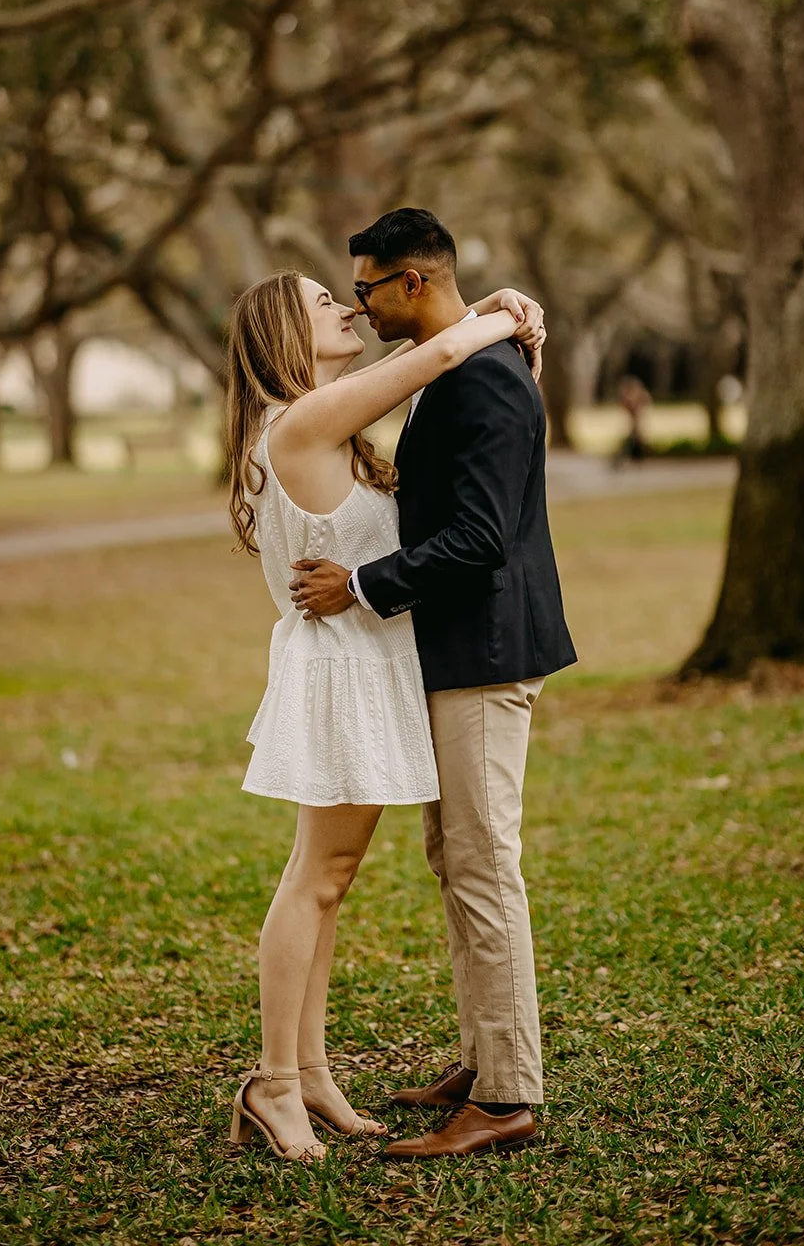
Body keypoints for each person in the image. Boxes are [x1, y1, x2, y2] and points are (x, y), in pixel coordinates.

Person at [224, 266, 545, 1163]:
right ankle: (274, 1084)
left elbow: (434, 350)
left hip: (360, 666)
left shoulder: (319, 420)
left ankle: (310, 1073)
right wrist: (501, 310)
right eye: (325, 300)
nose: (347, 307)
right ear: (285, 331)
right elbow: (438, 350)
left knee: (328, 881)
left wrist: (482, 313)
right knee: (315, 880)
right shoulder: (300, 420)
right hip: (340, 676)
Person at [290, 208, 577, 1161]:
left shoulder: (484, 383)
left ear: (414, 282)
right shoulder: (460, 363)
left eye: (367, 287)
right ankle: (481, 1056)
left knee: (486, 864)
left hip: (487, 655)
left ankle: (506, 1098)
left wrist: (359, 586)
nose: (360, 305)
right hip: (455, 653)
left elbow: (482, 537)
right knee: (454, 858)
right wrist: (497, 309)